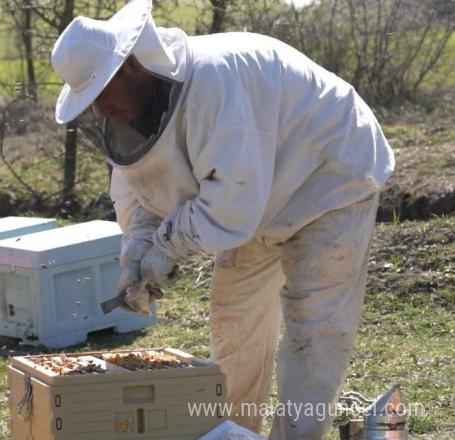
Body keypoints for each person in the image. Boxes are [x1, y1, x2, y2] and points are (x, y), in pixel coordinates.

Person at [50, 0, 395, 439]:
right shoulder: (140, 105)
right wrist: (137, 247)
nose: (99, 110)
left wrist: (168, 248)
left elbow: (230, 207)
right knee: (235, 320)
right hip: (256, 195)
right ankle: (233, 433)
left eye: (100, 93)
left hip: (330, 176)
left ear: (131, 67)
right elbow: (140, 188)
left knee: (315, 332)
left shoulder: (212, 84)